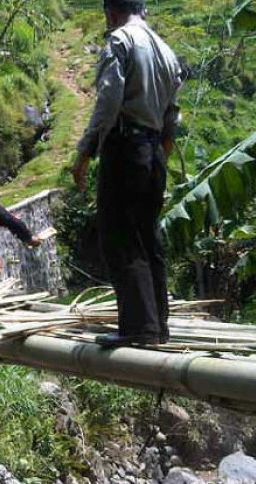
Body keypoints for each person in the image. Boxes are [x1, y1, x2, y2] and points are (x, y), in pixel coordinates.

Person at [71, 0, 182, 346]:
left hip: (125, 145)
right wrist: (158, 152)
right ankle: (157, 326)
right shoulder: (167, 52)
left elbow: (109, 100)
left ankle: (136, 329)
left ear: (112, 12)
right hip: (153, 151)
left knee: (120, 235)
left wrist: (86, 150)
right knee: (148, 237)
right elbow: (173, 114)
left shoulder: (121, 40)